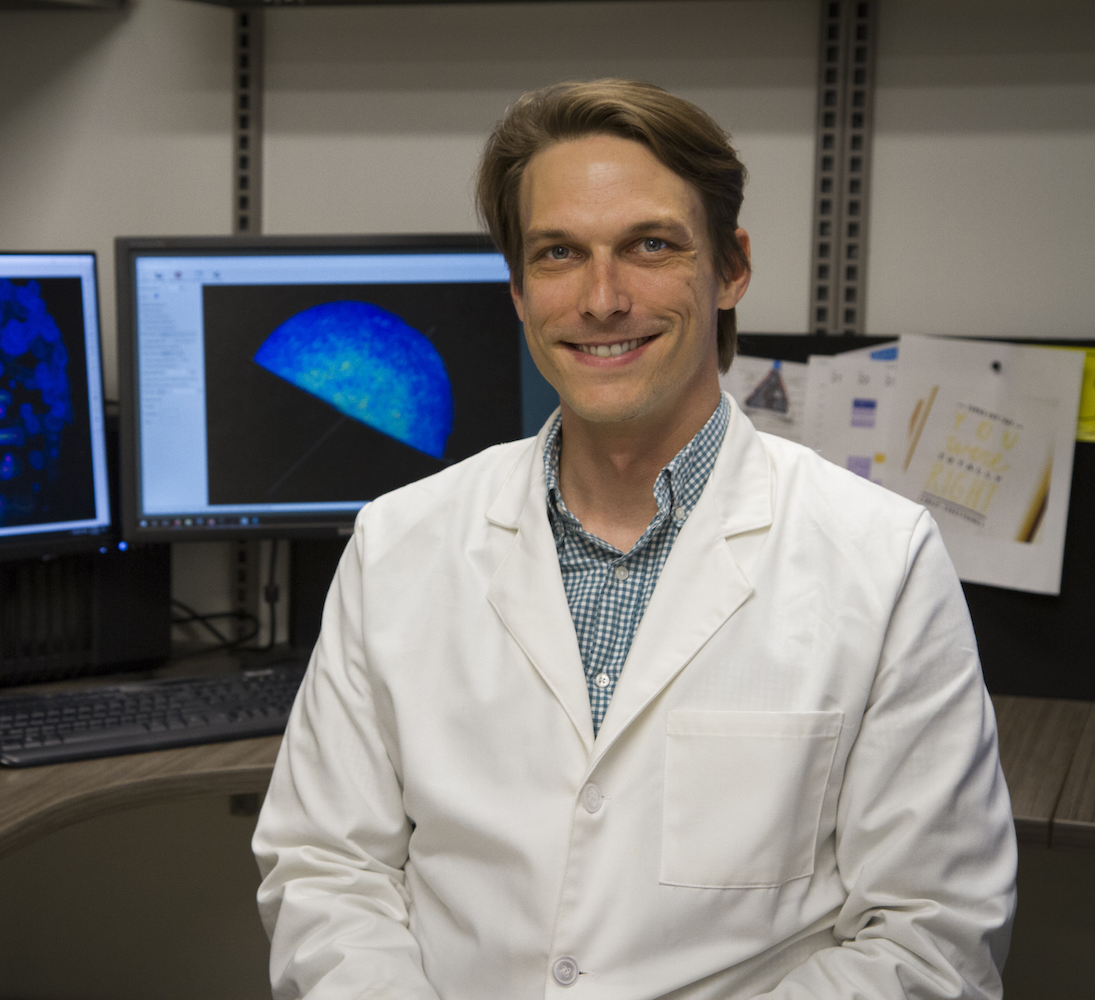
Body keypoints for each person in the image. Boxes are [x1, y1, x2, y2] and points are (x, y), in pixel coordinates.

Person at [252, 79, 1016, 1000]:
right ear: (520, 288)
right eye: (558, 253)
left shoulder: (882, 561)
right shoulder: (399, 543)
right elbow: (327, 872)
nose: (602, 298)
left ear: (731, 267)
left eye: (650, 246)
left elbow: (930, 936)